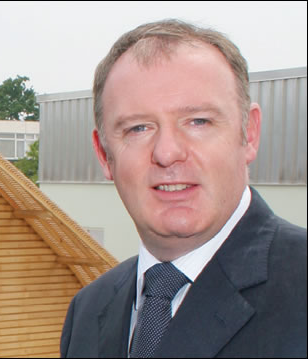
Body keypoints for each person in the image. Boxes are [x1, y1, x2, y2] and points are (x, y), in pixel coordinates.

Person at [60, 19, 307, 358]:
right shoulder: (87, 311)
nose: (167, 152)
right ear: (104, 154)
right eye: (138, 128)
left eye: (198, 121)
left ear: (248, 133)